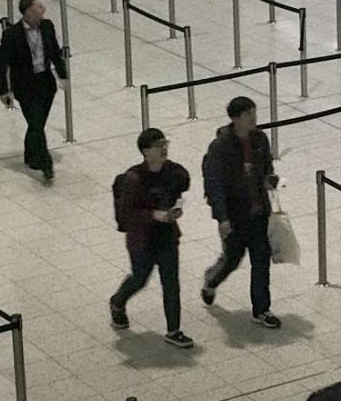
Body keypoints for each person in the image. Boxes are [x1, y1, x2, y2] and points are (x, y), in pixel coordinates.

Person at [109, 128, 194, 348]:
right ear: (146, 151)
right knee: (140, 278)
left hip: (166, 235)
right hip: (142, 239)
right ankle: (118, 302)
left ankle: (173, 330)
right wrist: (153, 214)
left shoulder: (174, 172)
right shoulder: (133, 178)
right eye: (158, 145)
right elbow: (127, 212)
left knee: (171, 282)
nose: (164, 148)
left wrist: (175, 210)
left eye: (165, 143)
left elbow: (178, 193)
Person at [201, 96, 282, 329]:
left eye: (254, 114)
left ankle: (262, 309)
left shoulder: (260, 139)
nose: (254, 119)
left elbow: (267, 167)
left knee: (261, 259)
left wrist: (269, 179)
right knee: (233, 258)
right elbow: (213, 183)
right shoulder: (221, 147)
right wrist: (222, 218)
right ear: (235, 119)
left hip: (258, 210)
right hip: (235, 212)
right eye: (248, 115)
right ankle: (211, 280)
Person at [0, 0, 67, 181]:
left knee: (37, 124)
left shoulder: (47, 26)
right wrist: (3, 90)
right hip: (25, 86)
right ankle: (46, 163)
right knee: (36, 123)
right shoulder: (12, 34)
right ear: (28, 11)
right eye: (38, 7)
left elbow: (55, 53)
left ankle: (30, 155)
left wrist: (63, 75)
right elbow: (2, 63)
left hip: (45, 83)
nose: (43, 9)